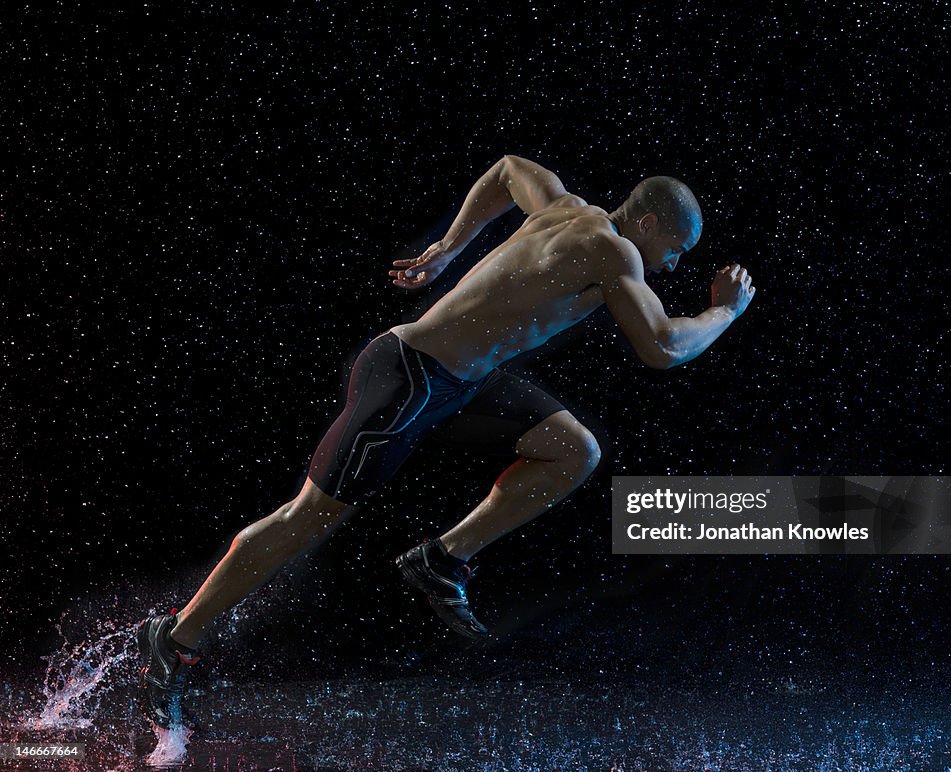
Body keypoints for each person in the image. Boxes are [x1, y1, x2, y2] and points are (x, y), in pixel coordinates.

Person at [138, 155, 756, 727]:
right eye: (675, 249)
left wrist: (445, 250)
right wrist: (724, 313)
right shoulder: (611, 250)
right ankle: (177, 638)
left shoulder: (566, 208)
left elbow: (509, 169)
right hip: (406, 379)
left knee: (576, 451)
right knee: (305, 520)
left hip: (465, 381)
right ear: (646, 221)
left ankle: (441, 559)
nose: (673, 265)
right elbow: (665, 347)